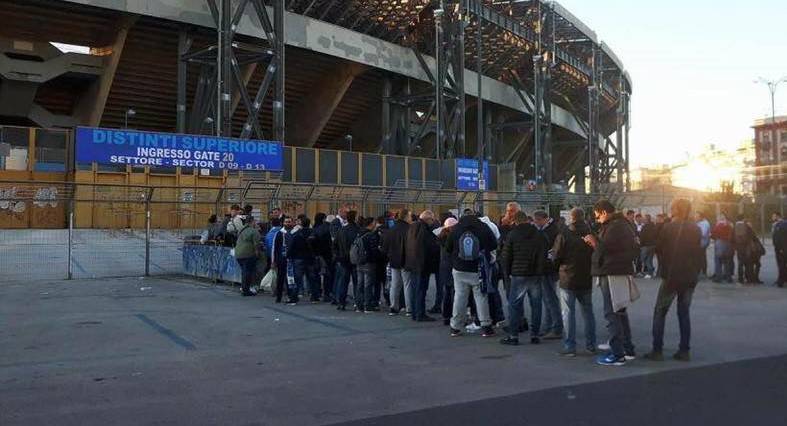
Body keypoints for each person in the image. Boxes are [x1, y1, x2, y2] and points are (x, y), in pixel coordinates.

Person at [644, 199, 702, 362]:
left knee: (660, 312)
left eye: (672, 208)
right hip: (689, 276)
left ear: (676, 210)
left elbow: (659, 249)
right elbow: (698, 251)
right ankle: (684, 350)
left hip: (671, 276)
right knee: (684, 313)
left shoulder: (668, 228)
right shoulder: (695, 228)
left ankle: (657, 350)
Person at [585, 200, 639, 366]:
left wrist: (594, 242)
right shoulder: (622, 224)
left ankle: (617, 353)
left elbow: (604, 249)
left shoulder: (615, 226)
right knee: (619, 311)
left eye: (597, 215)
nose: (597, 219)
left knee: (612, 313)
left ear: (603, 212)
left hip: (611, 272)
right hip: (618, 271)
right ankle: (626, 348)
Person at [445, 212, 498, 338]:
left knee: (459, 297)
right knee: (481, 297)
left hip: (459, 268)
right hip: (478, 268)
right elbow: (494, 245)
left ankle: (455, 327)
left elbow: (447, 247)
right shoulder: (483, 227)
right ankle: (486, 326)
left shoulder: (456, 228)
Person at [552, 208, 596, 356]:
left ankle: (570, 346)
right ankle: (591, 345)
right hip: (586, 276)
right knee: (588, 312)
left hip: (567, 277)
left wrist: (556, 268)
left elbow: (557, 256)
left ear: (572, 218)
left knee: (568, 313)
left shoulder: (564, 234)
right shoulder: (591, 233)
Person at [499, 211, 546, 345]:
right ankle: (534, 335)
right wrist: (539, 270)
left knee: (514, 305)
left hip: (518, 274)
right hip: (535, 275)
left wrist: (507, 273)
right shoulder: (538, 234)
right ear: (527, 219)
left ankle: (513, 336)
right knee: (536, 305)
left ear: (515, 221)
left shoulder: (513, 234)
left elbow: (506, 256)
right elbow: (543, 254)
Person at [405, 210, 441, 322]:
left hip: (412, 263)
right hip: (422, 265)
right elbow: (429, 247)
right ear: (428, 219)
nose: (433, 221)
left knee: (414, 289)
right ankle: (420, 313)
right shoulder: (424, 229)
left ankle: (415, 313)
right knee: (421, 290)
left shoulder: (412, 227)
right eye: (432, 219)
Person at [533, 210, 563, 340]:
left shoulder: (550, 231)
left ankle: (555, 327)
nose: (535, 223)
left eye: (537, 220)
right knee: (548, 298)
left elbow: (550, 250)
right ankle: (548, 326)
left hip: (548, 268)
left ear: (543, 219)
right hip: (549, 267)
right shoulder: (552, 229)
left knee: (550, 299)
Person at [381, 209, 413, 316]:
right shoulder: (409, 229)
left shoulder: (392, 230)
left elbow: (385, 247)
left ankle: (394, 307)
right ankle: (409, 308)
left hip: (394, 261)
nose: (411, 218)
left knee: (394, 285)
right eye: (410, 216)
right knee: (407, 285)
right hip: (407, 261)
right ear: (406, 217)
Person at [287, 215, 319, 303]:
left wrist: (289, 256)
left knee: (297, 279)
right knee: (312, 278)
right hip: (310, 258)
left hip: (298, 258)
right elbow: (317, 246)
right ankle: (315, 296)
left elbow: (292, 246)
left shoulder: (297, 234)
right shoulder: (313, 234)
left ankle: (294, 297)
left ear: (301, 224)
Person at [354, 217, 383, 313]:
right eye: (374, 223)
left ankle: (359, 305)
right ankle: (368, 305)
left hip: (359, 262)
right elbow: (374, 250)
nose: (375, 224)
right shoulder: (371, 235)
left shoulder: (359, 233)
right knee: (368, 285)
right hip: (369, 263)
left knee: (360, 284)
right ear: (371, 224)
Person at [333, 210, 360, 311]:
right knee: (357, 282)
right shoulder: (358, 230)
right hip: (356, 259)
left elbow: (335, 245)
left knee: (343, 281)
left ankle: (341, 302)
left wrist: (338, 256)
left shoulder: (342, 230)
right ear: (355, 218)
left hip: (343, 259)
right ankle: (357, 303)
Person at [437, 217, 458, 325]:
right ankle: (454, 315)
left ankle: (446, 316)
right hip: (452, 267)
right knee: (454, 293)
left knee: (447, 292)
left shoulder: (441, 237)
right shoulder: (453, 238)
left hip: (444, 267)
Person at [234, 214, 261, 297]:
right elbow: (256, 244)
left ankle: (244, 288)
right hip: (248, 254)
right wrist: (257, 254)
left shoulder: (241, 230)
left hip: (238, 254)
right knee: (248, 272)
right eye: (254, 222)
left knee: (244, 272)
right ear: (252, 222)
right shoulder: (253, 231)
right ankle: (246, 290)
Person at [311, 213, 335, 302]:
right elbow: (330, 243)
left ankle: (315, 295)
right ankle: (327, 294)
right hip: (326, 255)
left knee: (315, 275)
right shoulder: (328, 229)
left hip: (316, 255)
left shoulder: (315, 229)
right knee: (327, 275)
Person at [711, 213, 734, 283]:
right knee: (728, 262)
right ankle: (728, 277)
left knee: (718, 262)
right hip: (728, 244)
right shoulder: (730, 225)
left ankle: (718, 277)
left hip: (719, 243)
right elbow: (733, 235)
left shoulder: (718, 225)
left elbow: (713, 234)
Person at [732, 215, 756, 284]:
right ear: (743, 219)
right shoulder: (747, 226)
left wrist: (735, 246)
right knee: (748, 263)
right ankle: (748, 278)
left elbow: (731, 238)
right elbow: (752, 236)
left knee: (740, 263)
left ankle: (740, 279)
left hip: (739, 248)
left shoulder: (734, 227)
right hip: (747, 247)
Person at [638, 214, 658, 278]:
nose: (643, 220)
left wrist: (640, 244)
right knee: (649, 259)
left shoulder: (644, 227)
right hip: (653, 245)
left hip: (646, 245)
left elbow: (642, 236)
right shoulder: (654, 226)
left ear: (647, 220)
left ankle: (646, 272)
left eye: (644, 219)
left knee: (642, 259)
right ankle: (650, 272)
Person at [772, 213, 787, 287]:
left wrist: (778, 248)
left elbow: (777, 238)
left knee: (781, 265)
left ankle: (781, 281)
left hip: (781, 249)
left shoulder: (779, 225)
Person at [696, 212, 711, 278]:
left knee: (701, 258)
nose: (695, 217)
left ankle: (703, 272)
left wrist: (694, 233)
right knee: (700, 257)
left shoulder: (705, 223)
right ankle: (700, 271)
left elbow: (703, 233)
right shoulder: (699, 222)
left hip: (702, 243)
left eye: (697, 216)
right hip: (699, 243)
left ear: (701, 217)